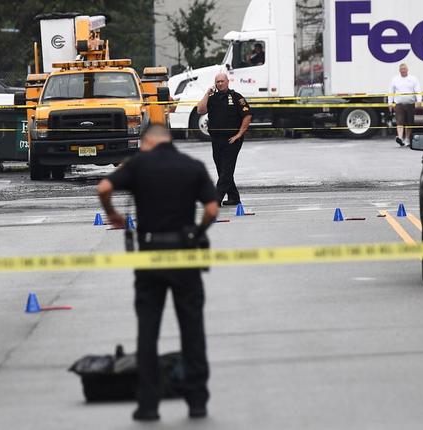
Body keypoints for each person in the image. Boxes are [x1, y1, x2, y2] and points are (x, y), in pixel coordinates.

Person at [97, 125, 219, 422]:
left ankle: (148, 404)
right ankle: (197, 401)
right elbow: (213, 209)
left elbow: (103, 188)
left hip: (150, 255)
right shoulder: (193, 166)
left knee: (148, 331)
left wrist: (113, 215)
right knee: (192, 328)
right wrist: (197, 232)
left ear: (147, 142)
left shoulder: (139, 163)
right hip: (184, 255)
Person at [197, 73, 252, 206]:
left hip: (232, 140)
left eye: (222, 81)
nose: (220, 84)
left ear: (228, 82)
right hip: (216, 139)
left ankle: (216, 199)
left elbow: (247, 116)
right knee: (222, 170)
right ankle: (234, 197)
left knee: (226, 169)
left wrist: (239, 134)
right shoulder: (212, 97)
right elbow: (200, 110)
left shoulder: (236, 97)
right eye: (217, 82)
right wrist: (206, 93)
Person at [389, 63, 422, 147]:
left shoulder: (413, 79)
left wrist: (419, 100)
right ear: (399, 70)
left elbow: (418, 90)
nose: (403, 70)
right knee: (399, 121)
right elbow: (391, 91)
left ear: (407, 70)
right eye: (401, 69)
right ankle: (400, 138)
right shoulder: (395, 79)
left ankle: (407, 139)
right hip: (399, 104)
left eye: (404, 69)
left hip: (410, 104)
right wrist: (390, 103)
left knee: (409, 123)